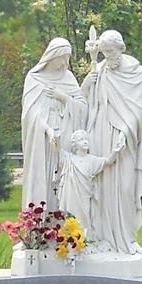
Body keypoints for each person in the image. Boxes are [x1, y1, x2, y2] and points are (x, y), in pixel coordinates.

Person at [79, 29, 142, 255]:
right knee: (101, 187)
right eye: (104, 52)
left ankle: (126, 237)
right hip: (99, 133)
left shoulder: (137, 73)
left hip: (124, 137)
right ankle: (100, 237)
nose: (108, 56)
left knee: (124, 187)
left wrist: (125, 131)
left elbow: (138, 109)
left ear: (121, 48)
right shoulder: (99, 70)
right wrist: (86, 85)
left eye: (111, 51)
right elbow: (87, 104)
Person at [20, 38, 85, 210]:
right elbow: (29, 114)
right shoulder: (34, 78)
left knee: (62, 178)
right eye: (61, 57)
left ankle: (64, 224)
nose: (65, 62)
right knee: (44, 177)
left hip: (64, 135)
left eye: (67, 57)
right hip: (42, 138)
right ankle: (39, 223)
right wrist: (47, 130)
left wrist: (62, 97)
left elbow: (83, 107)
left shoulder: (68, 78)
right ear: (51, 56)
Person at [57, 129, 120, 230]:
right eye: (81, 140)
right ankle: (70, 239)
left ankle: (83, 239)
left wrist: (116, 150)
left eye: (86, 139)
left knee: (84, 218)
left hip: (84, 195)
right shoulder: (69, 159)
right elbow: (58, 149)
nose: (85, 141)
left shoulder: (92, 160)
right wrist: (55, 137)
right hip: (71, 195)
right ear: (75, 144)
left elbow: (108, 161)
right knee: (70, 216)